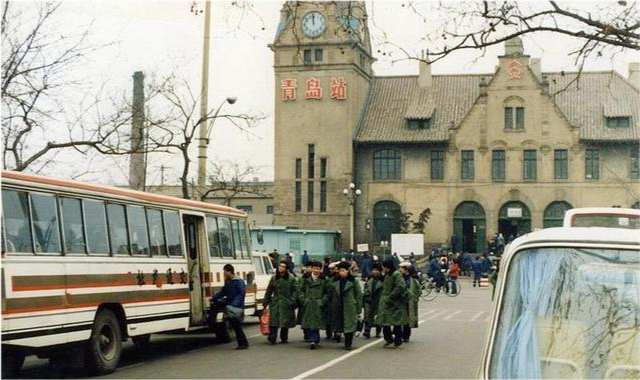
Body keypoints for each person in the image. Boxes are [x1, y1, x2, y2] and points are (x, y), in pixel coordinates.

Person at [211, 264, 249, 350]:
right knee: (236, 326)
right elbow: (223, 292)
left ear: (229, 271)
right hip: (231, 305)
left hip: (235, 307)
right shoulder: (229, 281)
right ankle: (243, 343)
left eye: (225, 271)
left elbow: (241, 294)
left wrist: (234, 304)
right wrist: (214, 298)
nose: (224, 273)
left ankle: (243, 343)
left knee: (237, 326)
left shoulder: (238, 281)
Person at [327, 261, 363, 350]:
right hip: (337, 305)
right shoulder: (335, 281)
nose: (342, 272)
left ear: (348, 271)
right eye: (340, 270)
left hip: (350, 305)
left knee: (349, 325)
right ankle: (338, 335)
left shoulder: (353, 281)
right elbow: (330, 293)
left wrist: (358, 308)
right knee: (339, 323)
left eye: (344, 270)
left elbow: (358, 295)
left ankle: (348, 343)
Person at [264, 260, 298, 344]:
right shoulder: (274, 277)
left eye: (283, 267)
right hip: (275, 302)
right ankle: (272, 337)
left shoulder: (291, 278)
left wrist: (292, 300)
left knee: (285, 321)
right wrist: (266, 302)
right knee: (274, 320)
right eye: (280, 266)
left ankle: (284, 338)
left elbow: (296, 290)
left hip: (286, 302)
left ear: (286, 268)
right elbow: (269, 290)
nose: (281, 268)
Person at [376, 259, 407, 349]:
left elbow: (400, 286)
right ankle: (388, 339)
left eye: (383, 266)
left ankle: (398, 340)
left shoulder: (396, 274)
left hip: (395, 301)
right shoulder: (387, 274)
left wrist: (391, 296)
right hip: (386, 301)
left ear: (387, 267)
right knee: (385, 321)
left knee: (396, 322)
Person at [299, 261, 328, 349]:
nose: (316, 270)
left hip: (318, 304)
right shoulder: (306, 279)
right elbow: (300, 290)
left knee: (316, 322)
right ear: (312, 269)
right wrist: (303, 300)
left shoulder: (324, 280)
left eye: (318, 269)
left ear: (321, 270)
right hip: (308, 303)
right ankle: (313, 339)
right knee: (309, 322)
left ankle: (314, 339)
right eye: (315, 268)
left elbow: (327, 292)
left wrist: (322, 301)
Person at [399, 262, 421, 342]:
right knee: (399, 318)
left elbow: (418, 291)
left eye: (401, 268)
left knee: (407, 319)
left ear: (406, 270)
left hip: (409, 302)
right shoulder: (399, 278)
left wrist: (414, 299)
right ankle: (399, 334)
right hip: (400, 301)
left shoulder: (413, 280)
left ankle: (406, 336)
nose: (399, 269)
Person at [363, 263, 383, 338]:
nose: (374, 272)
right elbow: (365, 289)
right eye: (373, 270)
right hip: (369, 300)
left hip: (378, 301)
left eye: (376, 270)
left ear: (380, 271)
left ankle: (378, 331)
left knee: (377, 317)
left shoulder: (383, 280)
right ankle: (367, 331)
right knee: (367, 315)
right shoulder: (369, 280)